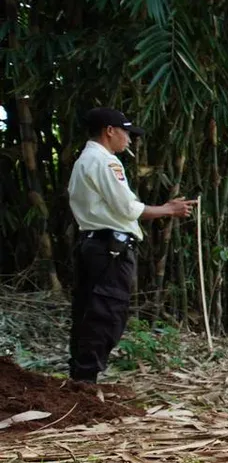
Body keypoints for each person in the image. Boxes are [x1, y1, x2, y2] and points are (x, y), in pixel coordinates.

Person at [67, 107, 196, 383]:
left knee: (88, 312)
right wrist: (168, 210)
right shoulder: (105, 162)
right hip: (109, 249)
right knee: (107, 313)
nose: (129, 139)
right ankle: (85, 380)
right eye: (126, 132)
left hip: (93, 245)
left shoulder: (84, 160)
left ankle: (80, 377)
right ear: (109, 131)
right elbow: (127, 208)